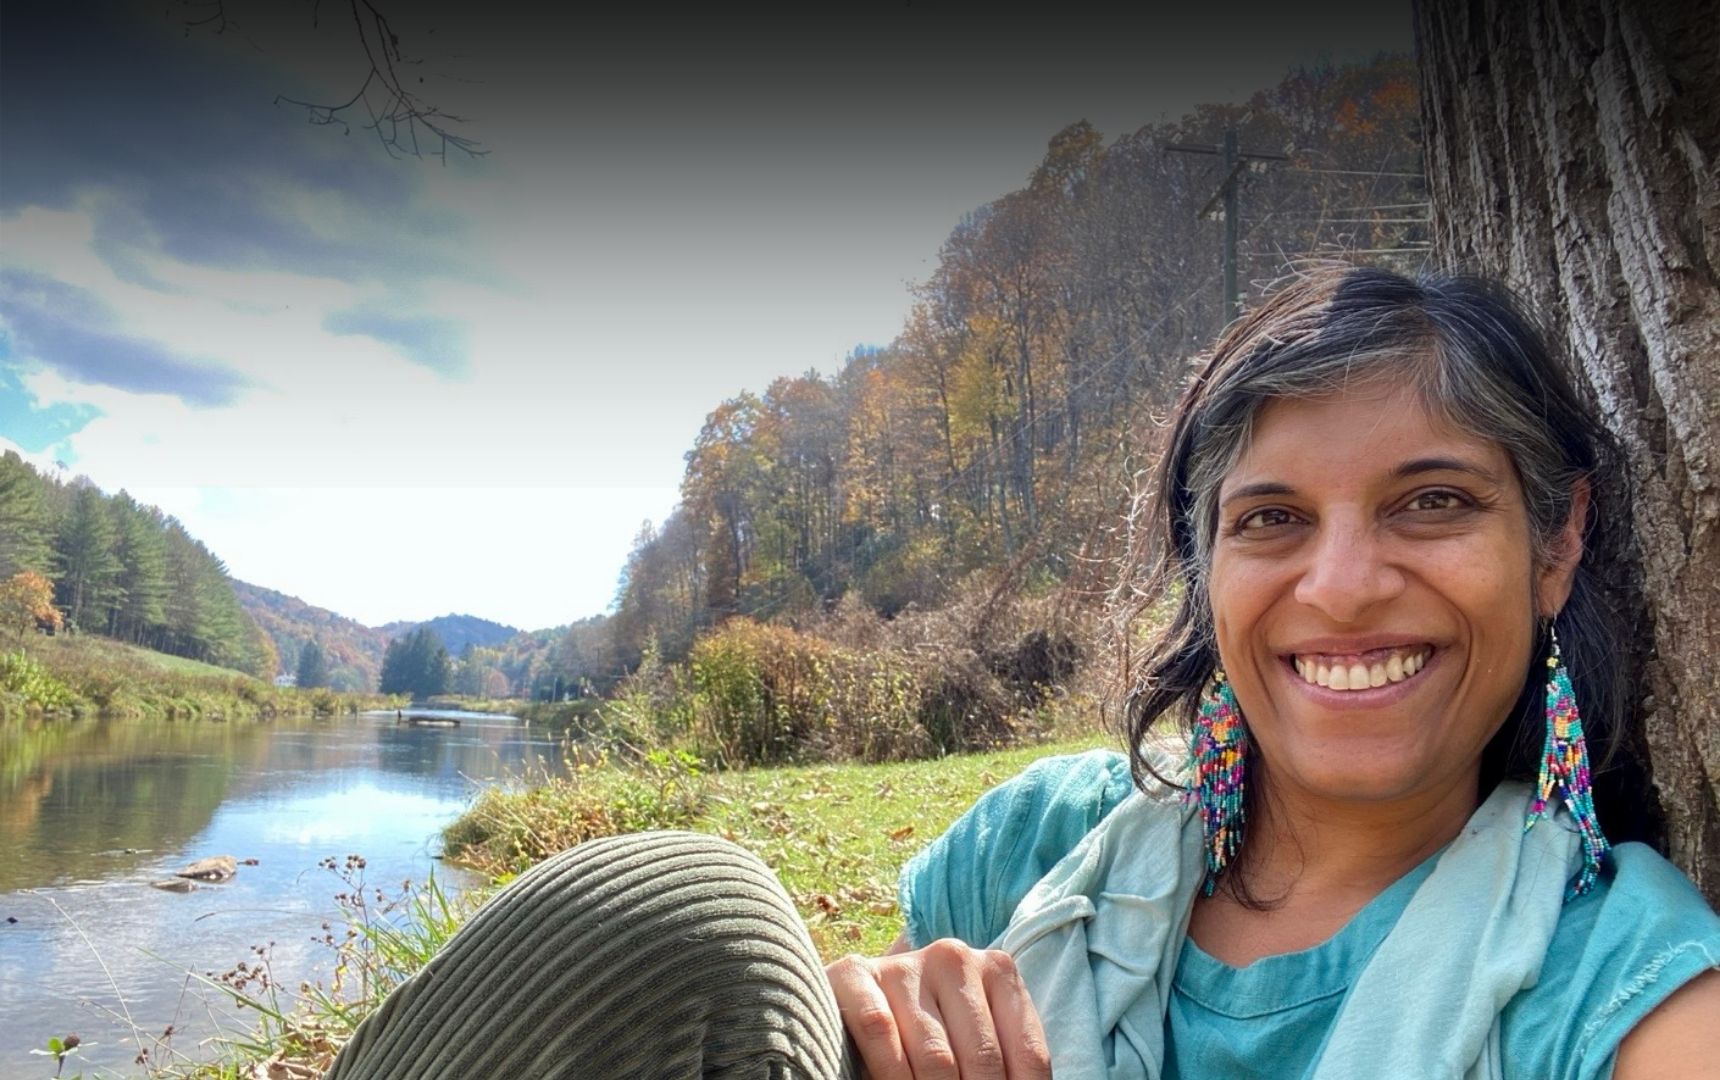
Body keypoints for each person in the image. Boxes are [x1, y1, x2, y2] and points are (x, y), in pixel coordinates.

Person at [322, 267, 1720, 1080]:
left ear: (1555, 543)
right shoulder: (1041, 846)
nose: (1343, 585)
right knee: (685, 914)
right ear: (1207, 570)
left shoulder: (1625, 985)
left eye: (1433, 502)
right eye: (1271, 519)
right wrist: (850, 1012)